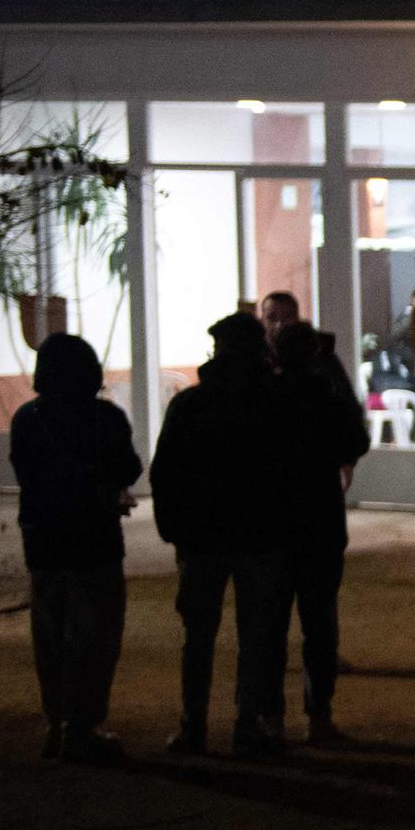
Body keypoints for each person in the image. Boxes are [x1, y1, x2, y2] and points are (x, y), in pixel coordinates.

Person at [151, 311, 294, 756]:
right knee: (256, 634)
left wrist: (174, 530)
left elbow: (165, 473)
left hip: (202, 537)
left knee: (198, 634)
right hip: (260, 536)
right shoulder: (275, 402)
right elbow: (291, 473)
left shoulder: (191, 404)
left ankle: (194, 725)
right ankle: (246, 724)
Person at [8, 333, 143, 766]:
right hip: (94, 540)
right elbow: (129, 466)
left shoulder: (26, 418)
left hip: (44, 541)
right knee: (95, 635)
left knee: (50, 636)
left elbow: (23, 470)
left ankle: (56, 723)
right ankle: (82, 727)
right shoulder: (105, 417)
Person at [273, 323, 372, 744]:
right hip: (319, 520)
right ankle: (319, 716)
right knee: (319, 622)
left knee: (268, 625)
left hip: (272, 523)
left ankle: (265, 719)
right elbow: (357, 439)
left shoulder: (265, 399)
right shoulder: (326, 397)